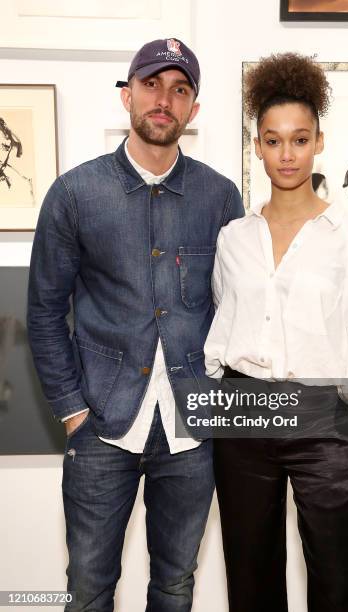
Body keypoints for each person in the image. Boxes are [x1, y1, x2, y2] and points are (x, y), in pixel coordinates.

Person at [27, 37, 244, 612]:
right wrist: (73, 411)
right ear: (127, 96)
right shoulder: (74, 193)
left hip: (191, 433)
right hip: (100, 425)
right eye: (151, 85)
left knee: (175, 586)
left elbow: (234, 311)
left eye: (179, 90)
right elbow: (46, 312)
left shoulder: (221, 199)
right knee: (89, 587)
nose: (163, 100)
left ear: (193, 110)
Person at [204, 52, 348, 612]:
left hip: (322, 418)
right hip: (243, 414)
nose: (286, 153)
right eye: (272, 140)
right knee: (251, 582)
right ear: (257, 146)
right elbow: (227, 317)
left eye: (299, 138)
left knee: (336, 586)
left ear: (318, 142)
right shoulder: (233, 237)